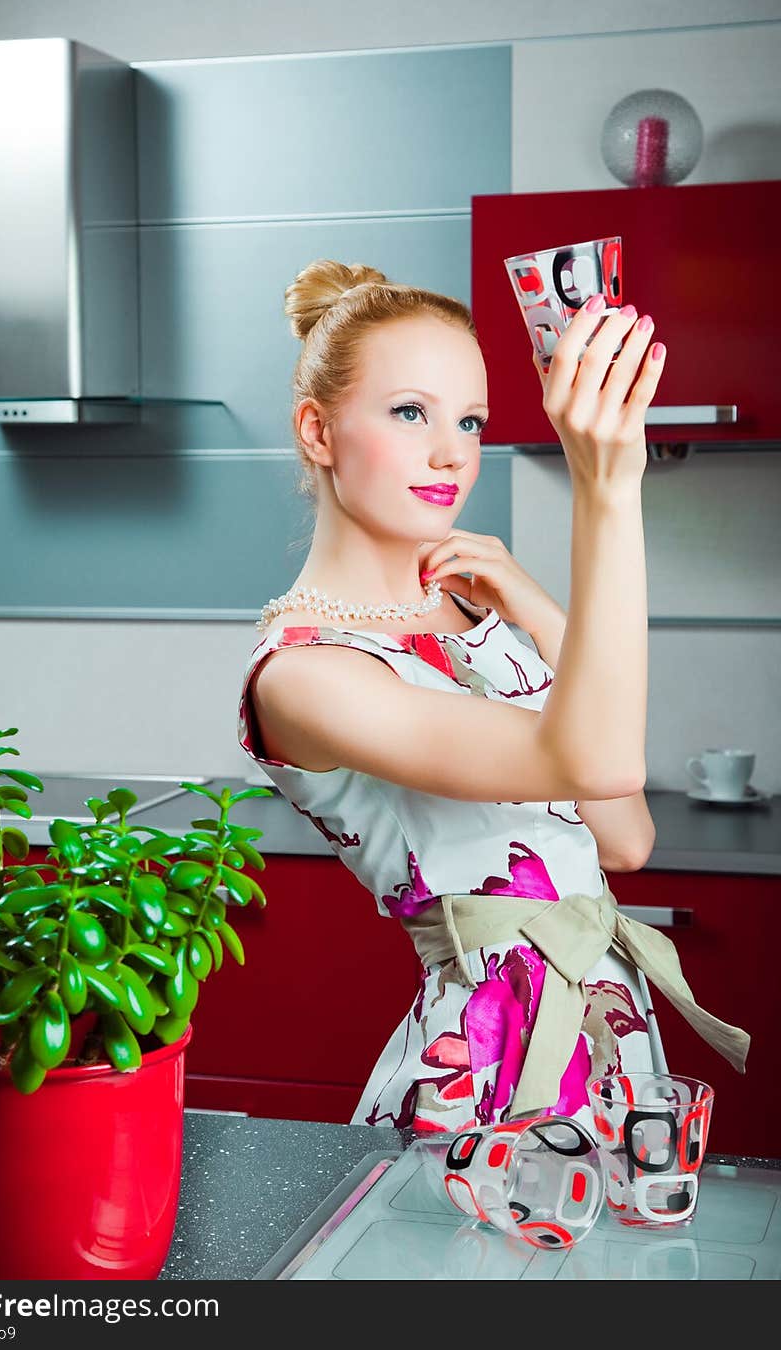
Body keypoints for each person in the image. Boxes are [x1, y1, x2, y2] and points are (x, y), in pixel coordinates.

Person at [236, 258, 749, 1136]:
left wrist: (540, 611)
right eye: (410, 413)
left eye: (470, 420)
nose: (452, 453)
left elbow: (625, 838)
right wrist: (609, 486)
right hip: (488, 1063)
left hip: (615, 1046)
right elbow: (599, 758)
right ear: (317, 432)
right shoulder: (307, 673)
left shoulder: (479, 611)